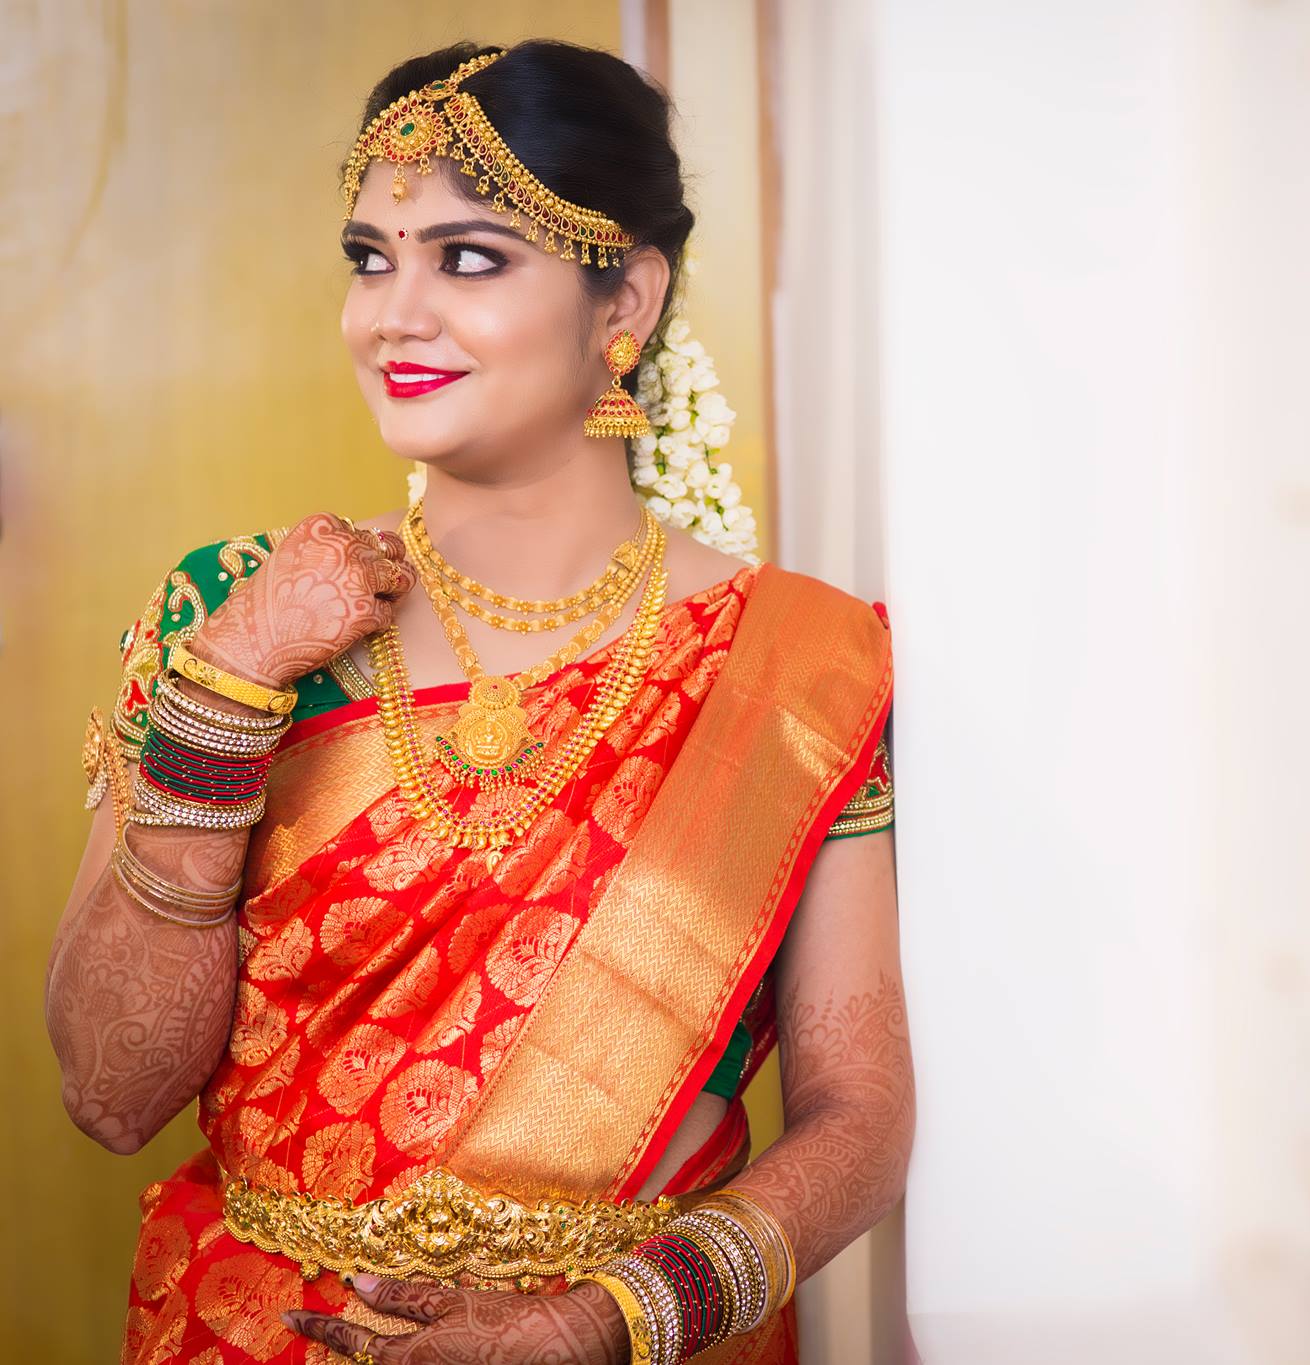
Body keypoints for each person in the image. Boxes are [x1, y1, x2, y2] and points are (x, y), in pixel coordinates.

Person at [42, 40, 912, 1365]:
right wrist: (228, 693)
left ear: (623, 294)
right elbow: (110, 1090)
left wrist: (596, 1321)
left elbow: (861, 1116)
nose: (393, 312)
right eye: (369, 258)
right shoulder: (226, 614)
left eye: (467, 257)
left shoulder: (793, 664)